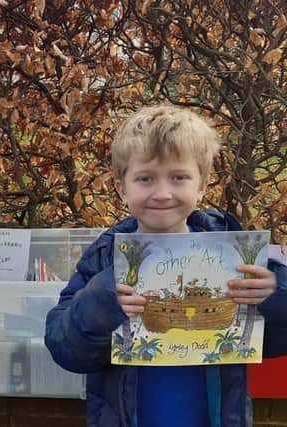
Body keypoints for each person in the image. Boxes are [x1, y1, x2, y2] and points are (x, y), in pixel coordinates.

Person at [44, 105, 287, 427]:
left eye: (178, 177)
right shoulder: (104, 258)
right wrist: (101, 302)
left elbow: (272, 344)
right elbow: (67, 351)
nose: (162, 193)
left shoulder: (238, 258)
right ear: (122, 188)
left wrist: (276, 294)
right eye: (145, 179)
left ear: (201, 185)